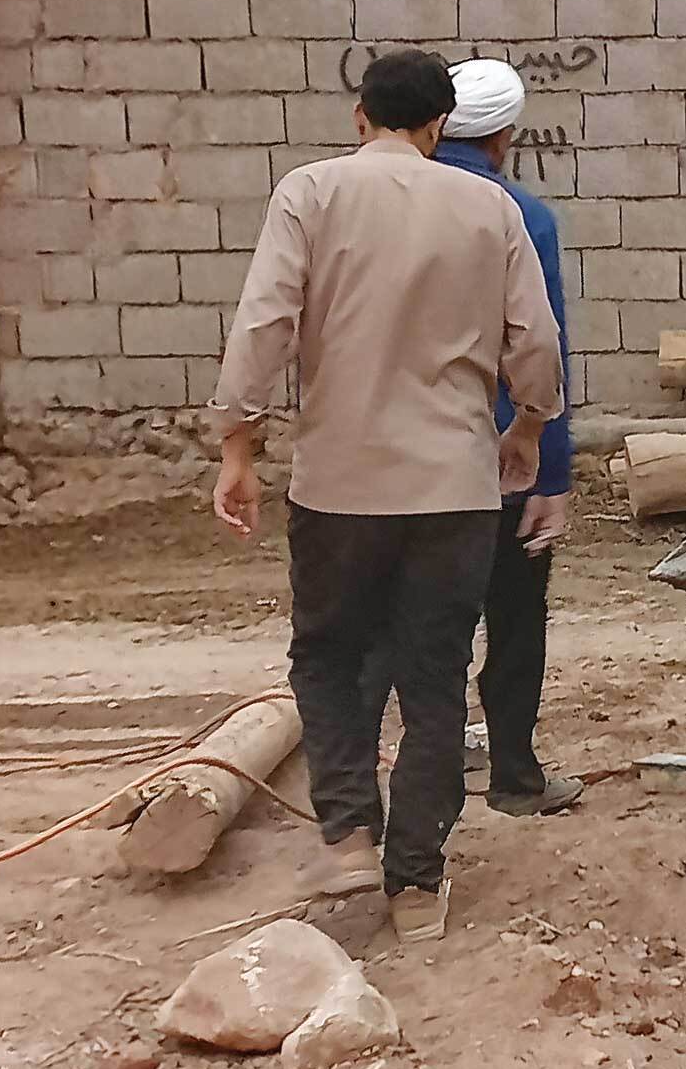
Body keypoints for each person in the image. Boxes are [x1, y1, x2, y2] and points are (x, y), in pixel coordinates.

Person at [210, 48, 563, 944]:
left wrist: (238, 447)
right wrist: (526, 428)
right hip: (453, 486)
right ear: (441, 125)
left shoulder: (310, 193)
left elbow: (264, 323)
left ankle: (348, 830)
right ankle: (416, 885)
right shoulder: (490, 206)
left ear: (359, 115)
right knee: (435, 676)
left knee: (328, 656)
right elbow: (536, 340)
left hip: (339, 485)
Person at [361, 58, 582, 819]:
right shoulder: (522, 215)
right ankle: (515, 775)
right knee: (514, 618)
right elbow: (540, 353)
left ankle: (417, 782)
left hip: (399, 462)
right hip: (500, 457)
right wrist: (551, 473)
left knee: (417, 622)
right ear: (506, 138)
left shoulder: (369, 207)